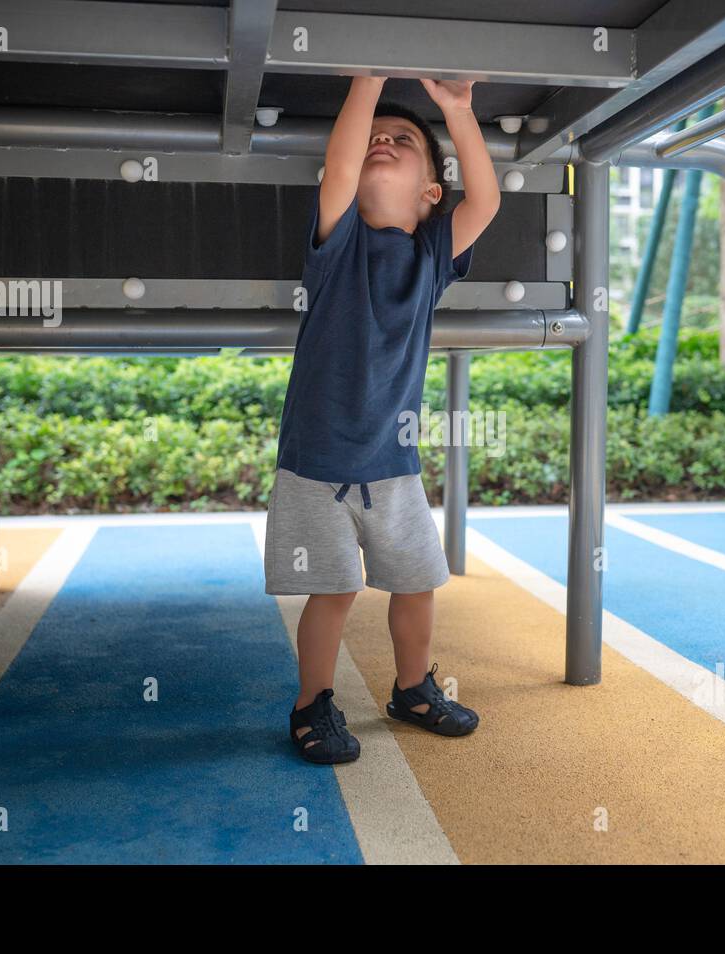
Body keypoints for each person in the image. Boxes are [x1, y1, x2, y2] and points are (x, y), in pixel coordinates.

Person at [264, 75, 501, 764]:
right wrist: (368, 78)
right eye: (373, 138)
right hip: (316, 463)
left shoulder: (431, 257)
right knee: (332, 591)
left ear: (431, 194)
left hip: (393, 465)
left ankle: (412, 687)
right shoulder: (337, 245)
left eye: (402, 142)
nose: (382, 144)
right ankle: (313, 702)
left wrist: (458, 111)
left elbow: (485, 198)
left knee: (416, 582)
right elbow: (340, 166)